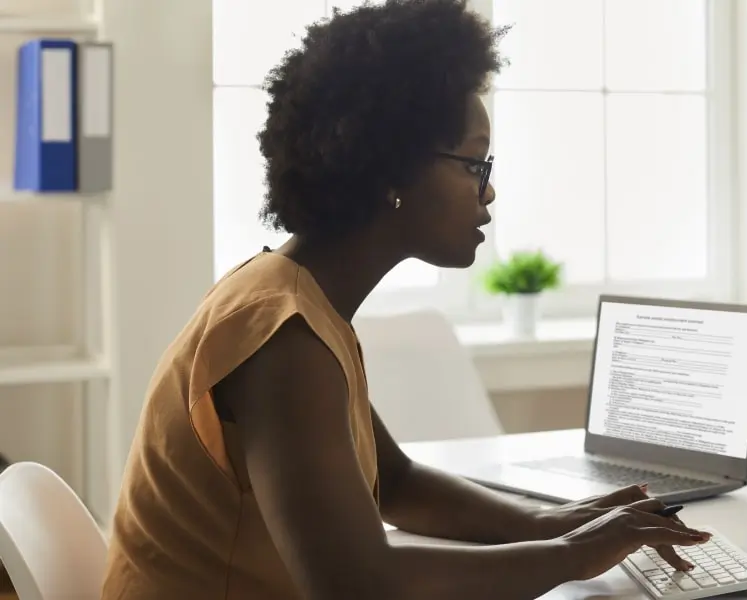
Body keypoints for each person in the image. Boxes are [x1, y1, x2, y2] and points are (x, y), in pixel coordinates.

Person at [99, 1, 709, 599]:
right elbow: (356, 585)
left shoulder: (300, 303)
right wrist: (572, 557)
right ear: (391, 170)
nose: (488, 189)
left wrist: (553, 523)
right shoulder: (280, 338)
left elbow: (396, 482)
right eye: (474, 164)